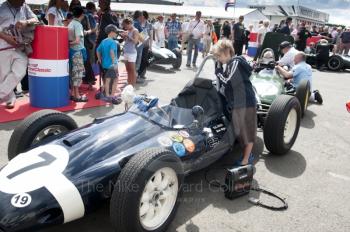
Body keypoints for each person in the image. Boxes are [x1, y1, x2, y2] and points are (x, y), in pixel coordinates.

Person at [213, 39, 257, 166]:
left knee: (247, 132)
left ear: (227, 52)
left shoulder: (236, 62)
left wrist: (219, 72)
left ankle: (246, 159)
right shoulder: (231, 64)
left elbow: (227, 81)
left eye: (219, 56)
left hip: (245, 102)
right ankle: (246, 154)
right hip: (237, 102)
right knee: (240, 131)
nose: (219, 59)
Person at [0, 0, 38, 109]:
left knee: (20, 70)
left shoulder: (25, 7)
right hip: (3, 45)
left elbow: (36, 19)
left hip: (21, 45)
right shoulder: (1, 8)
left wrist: (25, 22)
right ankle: (10, 98)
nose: (24, 1)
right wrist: (6, 37)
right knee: (4, 75)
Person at [68, 6, 88, 102]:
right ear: (82, 15)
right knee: (78, 73)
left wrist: (68, 44)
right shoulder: (78, 25)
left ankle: (72, 93)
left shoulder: (70, 23)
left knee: (73, 73)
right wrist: (69, 43)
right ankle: (77, 96)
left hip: (71, 52)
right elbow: (77, 40)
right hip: (77, 52)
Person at [96, 24, 120, 103]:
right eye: (116, 32)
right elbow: (112, 52)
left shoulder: (103, 41)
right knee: (115, 80)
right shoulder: (113, 42)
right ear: (112, 32)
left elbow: (98, 50)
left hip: (104, 64)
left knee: (107, 80)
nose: (117, 34)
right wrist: (115, 64)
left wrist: (99, 59)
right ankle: (111, 96)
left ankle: (107, 95)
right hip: (111, 65)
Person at [121, 17, 139, 86]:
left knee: (132, 70)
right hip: (126, 51)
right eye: (124, 26)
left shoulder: (135, 30)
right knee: (128, 70)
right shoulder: (128, 31)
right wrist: (124, 37)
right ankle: (129, 84)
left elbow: (135, 41)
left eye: (125, 25)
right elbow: (127, 41)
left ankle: (132, 86)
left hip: (132, 53)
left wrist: (127, 36)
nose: (125, 27)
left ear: (130, 24)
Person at [138, 11, 153, 81]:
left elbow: (151, 36)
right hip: (138, 45)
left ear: (144, 16)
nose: (140, 17)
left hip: (146, 45)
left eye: (141, 15)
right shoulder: (138, 23)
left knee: (144, 60)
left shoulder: (149, 25)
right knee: (138, 60)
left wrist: (151, 46)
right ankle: (137, 74)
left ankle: (142, 74)